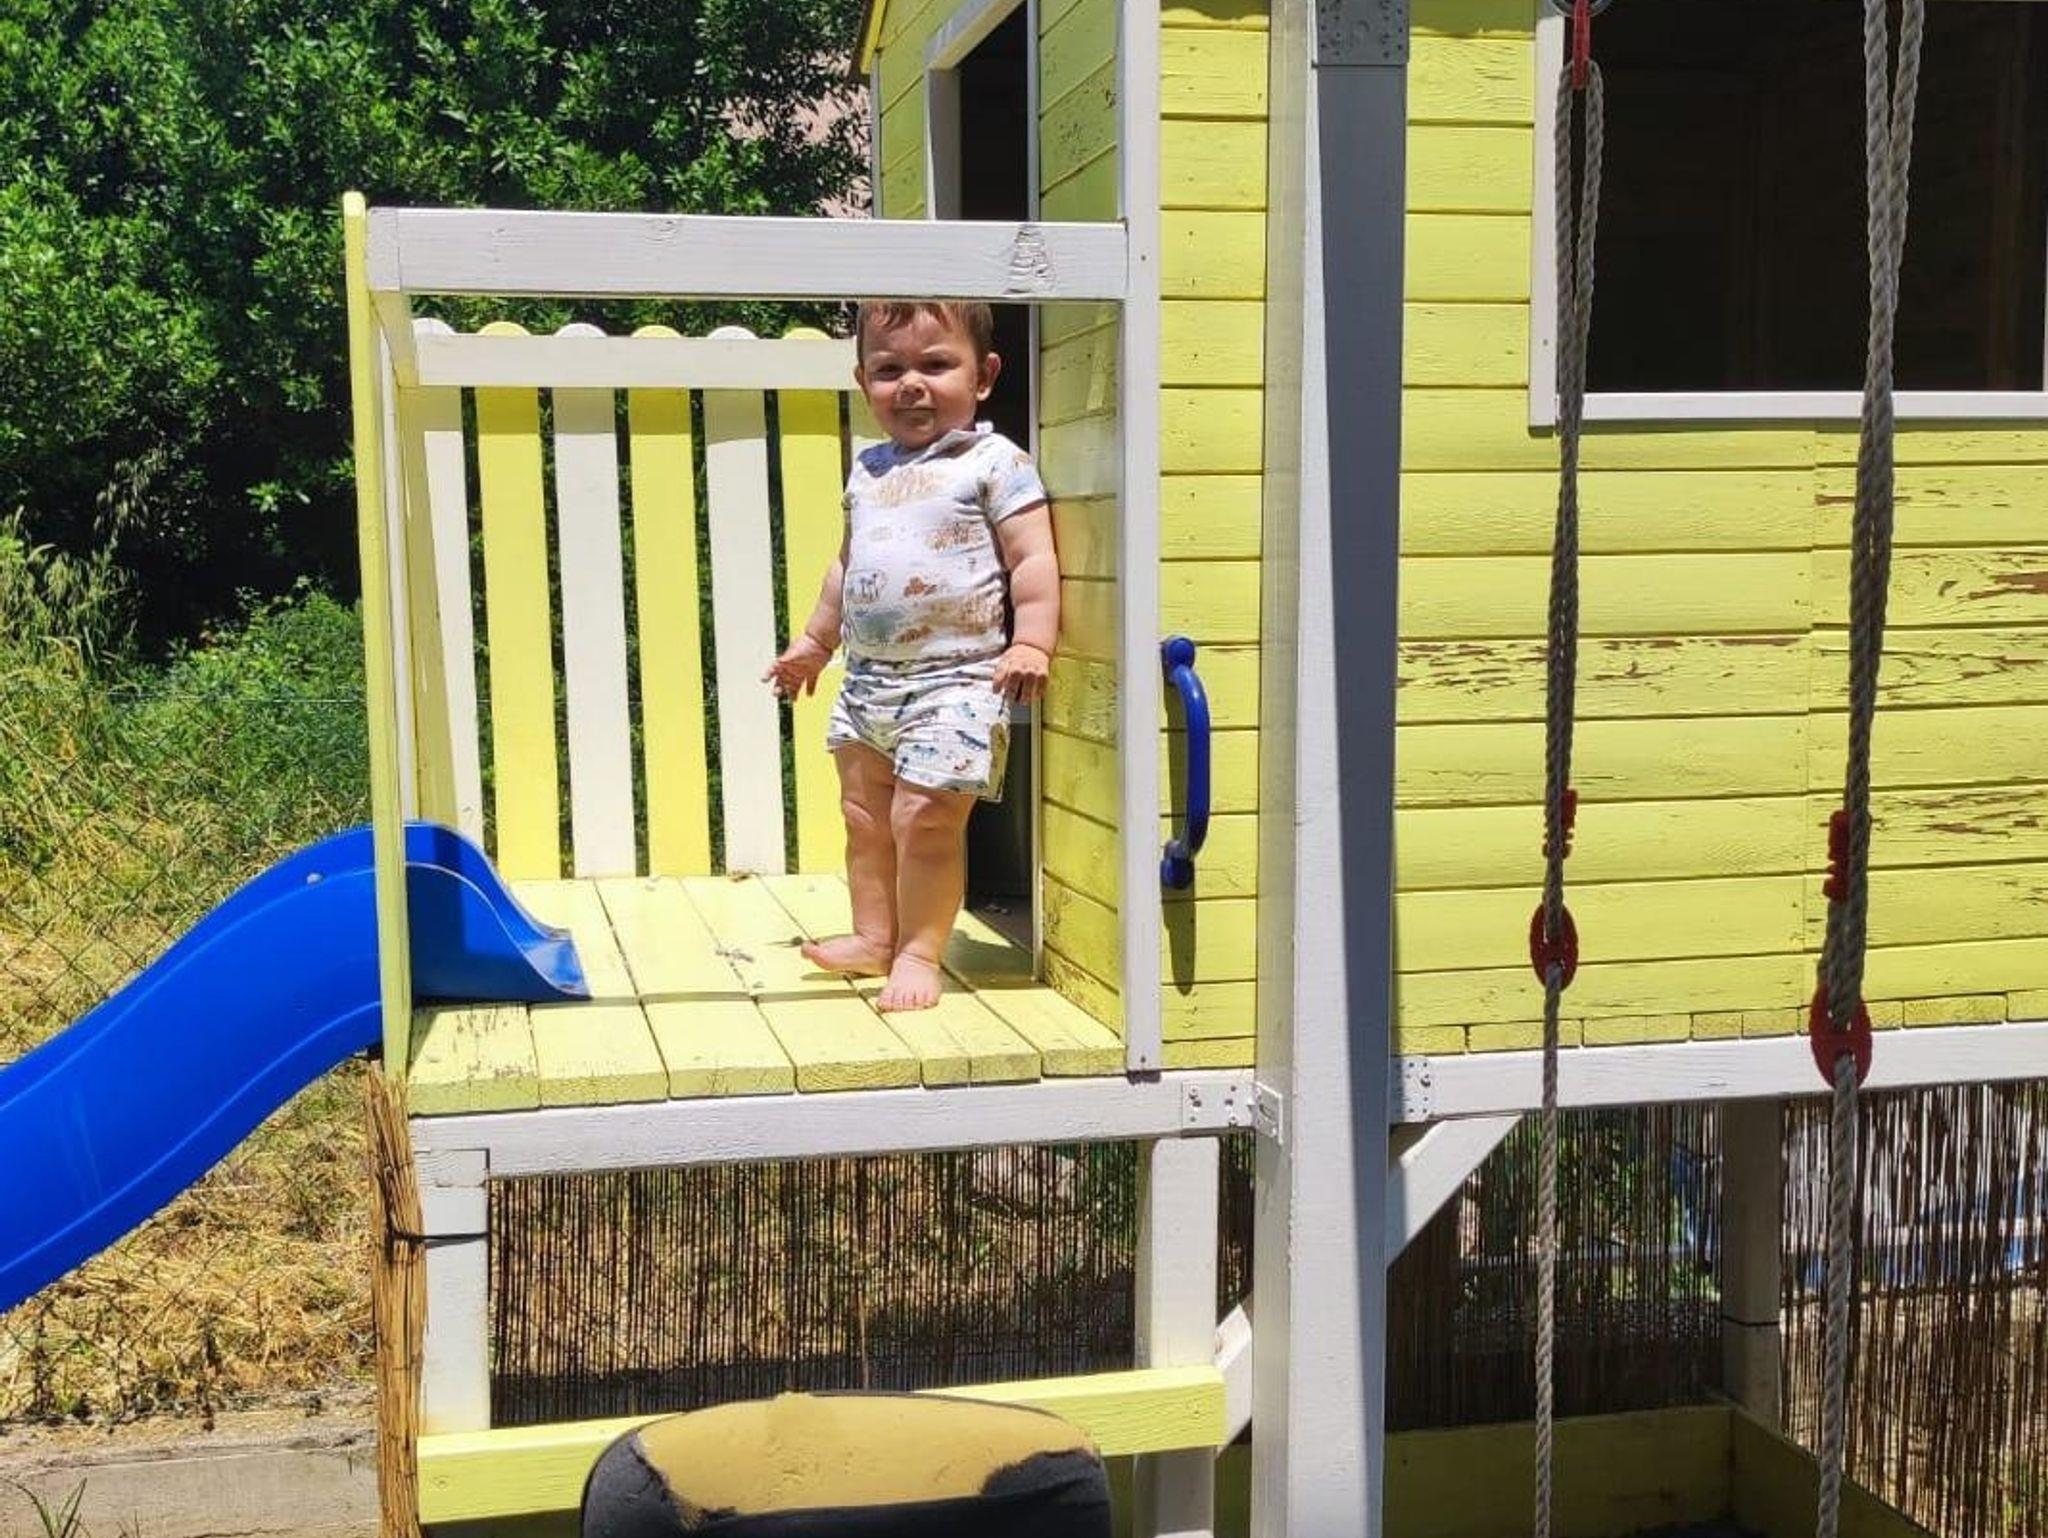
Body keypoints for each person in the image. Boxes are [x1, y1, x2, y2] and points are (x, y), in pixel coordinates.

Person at [764, 300, 1058, 1011]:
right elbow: (847, 565)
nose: (912, 384)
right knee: (864, 819)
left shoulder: (995, 462)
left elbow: (1033, 559)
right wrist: (814, 643)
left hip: (957, 681)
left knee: (924, 820)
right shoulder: (868, 470)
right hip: (868, 683)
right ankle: (874, 937)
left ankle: (919, 951)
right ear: (863, 382)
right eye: (889, 369)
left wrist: (1031, 640)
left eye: (936, 364)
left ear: (983, 376)